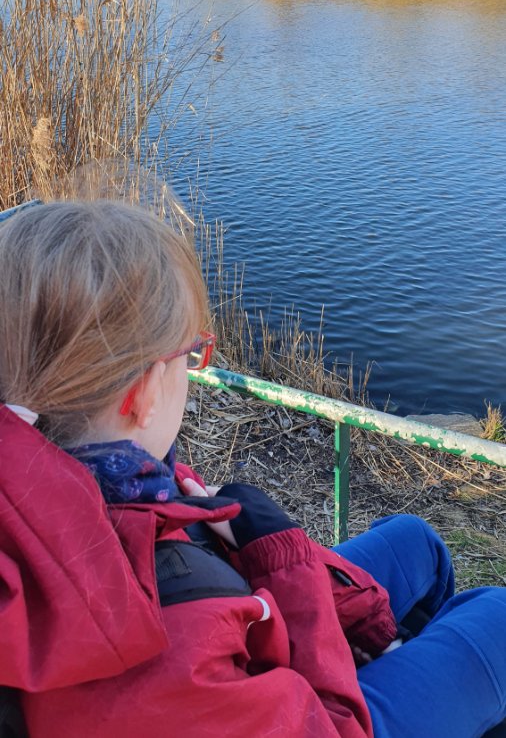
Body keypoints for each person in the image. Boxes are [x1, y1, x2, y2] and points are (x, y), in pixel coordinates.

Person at [0, 198, 504, 738]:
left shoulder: (88, 474)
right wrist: (285, 560)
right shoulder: (152, 644)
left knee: (414, 539)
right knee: (495, 614)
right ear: (142, 394)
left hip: (244, 637)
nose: (193, 373)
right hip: (312, 709)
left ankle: (401, 659)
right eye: (190, 355)